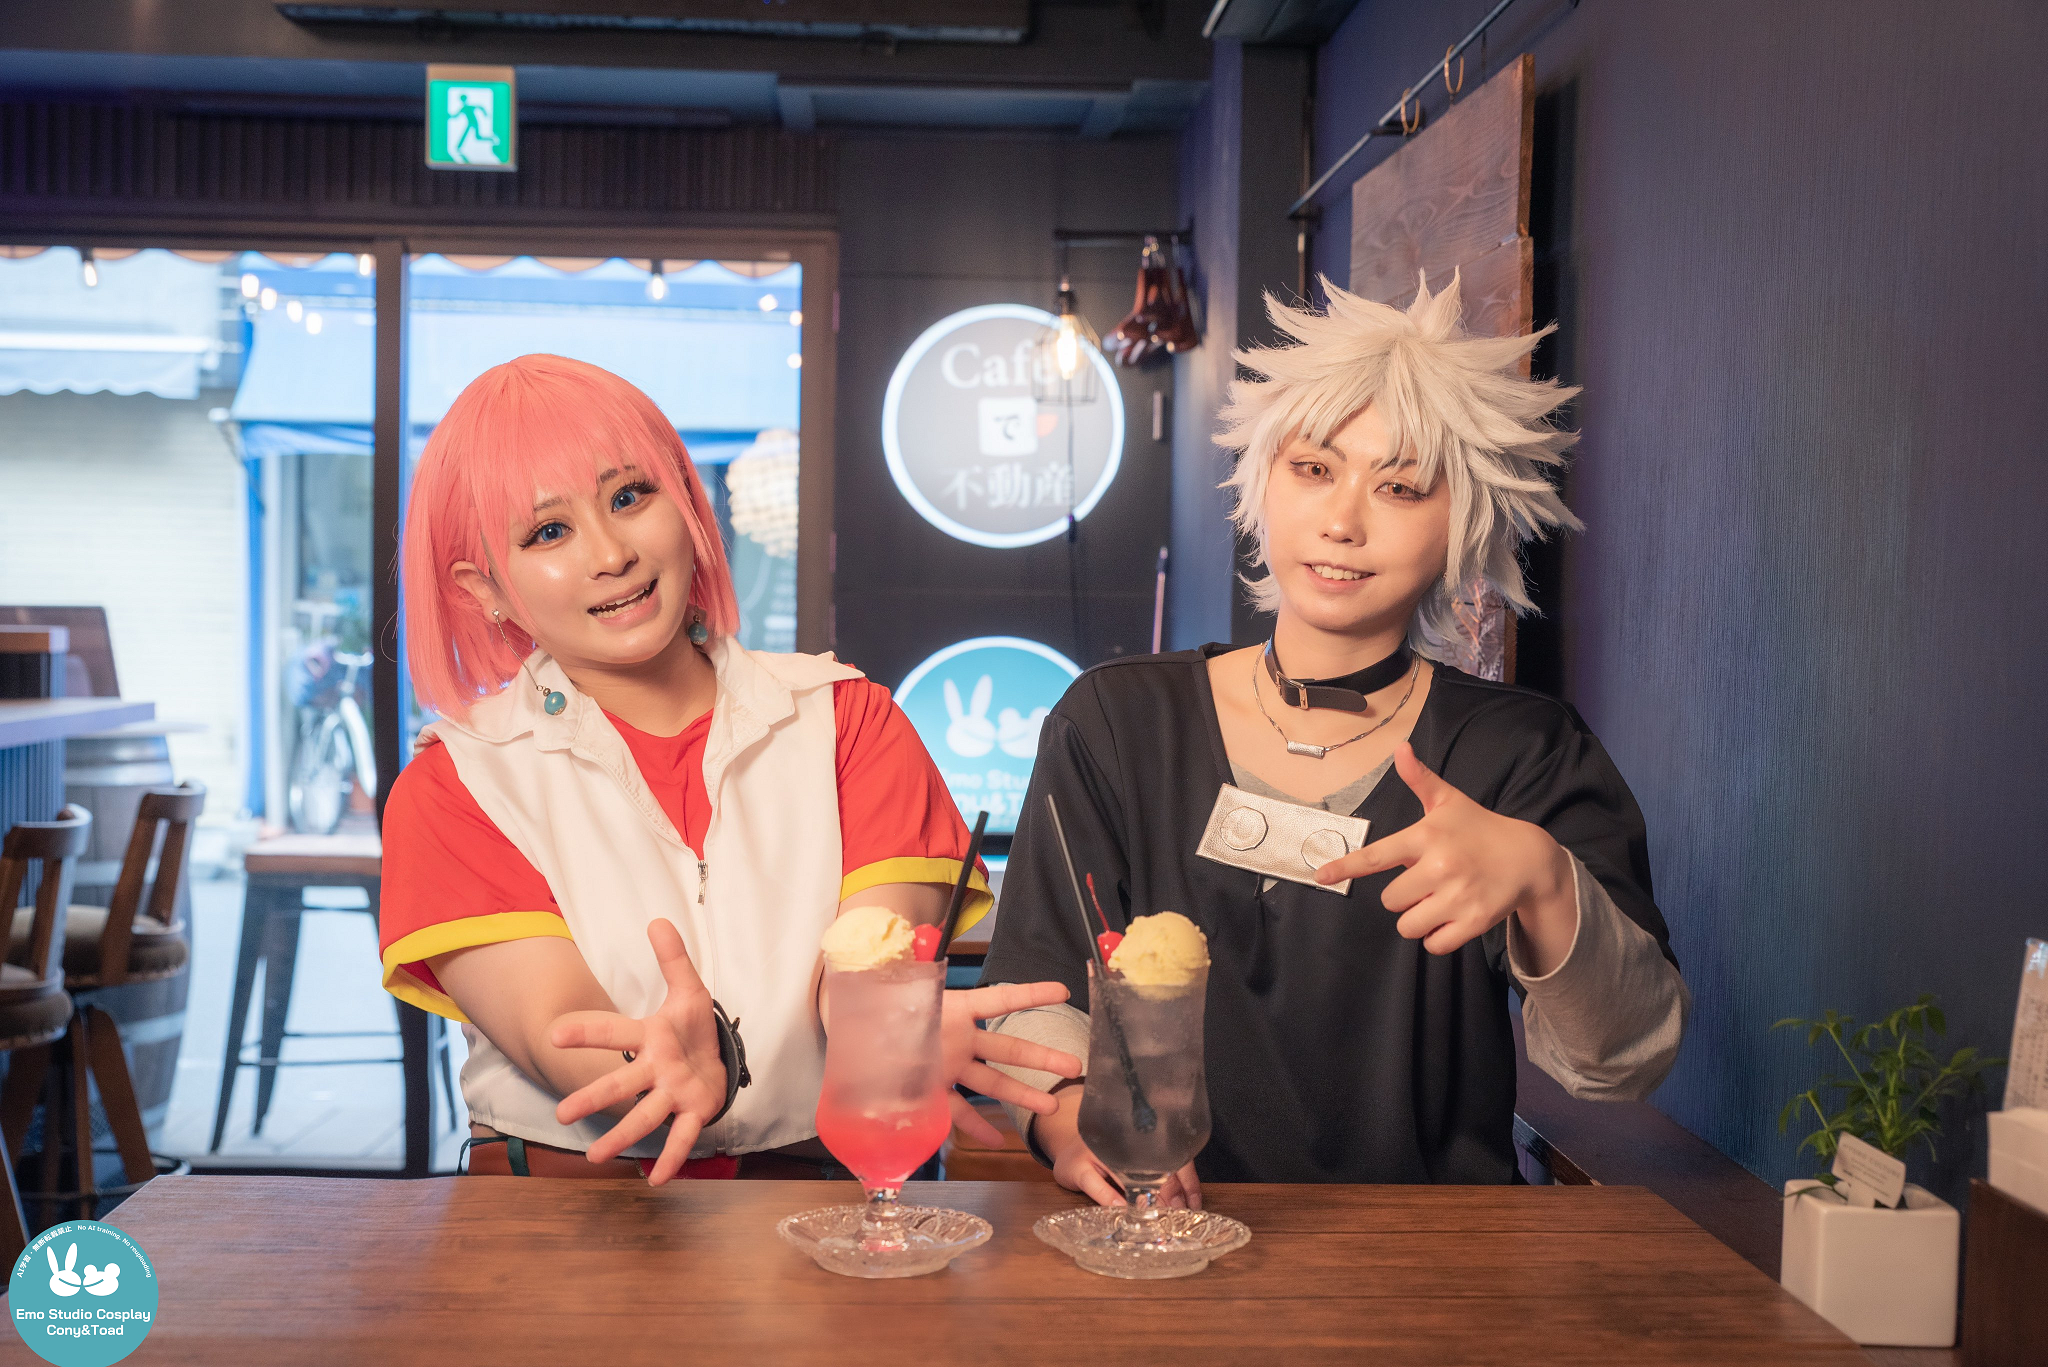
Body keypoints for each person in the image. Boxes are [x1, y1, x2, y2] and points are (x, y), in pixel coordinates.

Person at [980, 276, 1690, 1205]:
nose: (1343, 521)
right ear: (1263, 481)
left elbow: (1623, 1058)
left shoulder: (1523, 752)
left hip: (1430, 1254)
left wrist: (1544, 877)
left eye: (1399, 487)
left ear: (1464, 521)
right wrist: (1077, 1115)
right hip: (1160, 1241)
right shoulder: (1118, 723)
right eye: (1314, 469)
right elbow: (1037, 995)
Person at [377, 353, 1077, 1182]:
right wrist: (653, 1065)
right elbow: (553, 1024)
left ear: (685, 498)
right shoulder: (458, 783)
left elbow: (866, 963)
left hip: (823, 1206)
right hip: (566, 1220)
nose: (611, 553)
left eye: (629, 497)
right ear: (483, 588)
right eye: (549, 531)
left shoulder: (849, 722)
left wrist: (892, 1028)